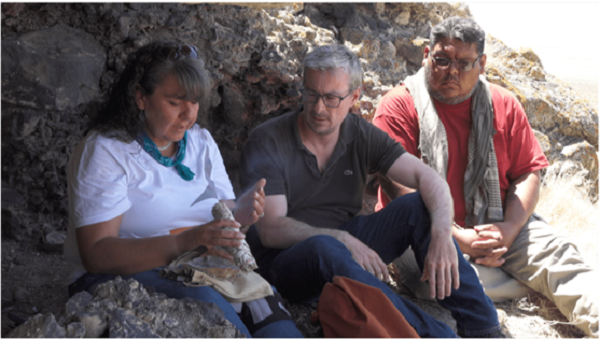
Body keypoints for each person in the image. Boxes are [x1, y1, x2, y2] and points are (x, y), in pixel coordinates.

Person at [240, 44, 504, 338]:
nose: (318, 108)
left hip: (347, 244)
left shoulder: (361, 135)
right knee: (325, 247)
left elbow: (430, 180)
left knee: (419, 208)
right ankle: (435, 334)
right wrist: (340, 238)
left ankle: (484, 327)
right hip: (286, 263)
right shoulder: (269, 140)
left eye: (331, 98)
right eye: (311, 94)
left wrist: (443, 235)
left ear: (355, 96)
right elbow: (271, 230)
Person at [373, 16, 598, 337]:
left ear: (482, 63)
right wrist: (459, 238)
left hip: (499, 221)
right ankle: (527, 282)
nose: (452, 71)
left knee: (562, 260)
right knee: (434, 282)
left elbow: (527, 173)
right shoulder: (398, 107)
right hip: (423, 232)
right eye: (442, 60)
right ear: (426, 55)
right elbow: (402, 191)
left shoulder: (503, 103)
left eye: (464, 63)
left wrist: (508, 229)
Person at [63, 41, 302, 338]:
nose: (189, 115)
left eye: (194, 101)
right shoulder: (106, 151)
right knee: (213, 311)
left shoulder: (200, 141)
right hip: (119, 276)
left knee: (270, 311)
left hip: (202, 265)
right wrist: (184, 242)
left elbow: (222, 213)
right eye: (175, 103)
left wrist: (241, 214)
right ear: (141, 97)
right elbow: (96, 254)